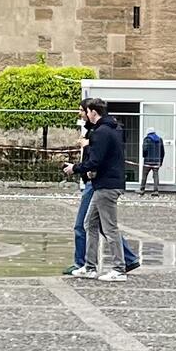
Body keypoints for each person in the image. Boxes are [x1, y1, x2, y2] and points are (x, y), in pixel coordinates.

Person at [68, 104, 138, 275]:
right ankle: (90, 266)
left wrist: (75, 168)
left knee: (109, 228)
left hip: (106, 184)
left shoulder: (102, 132)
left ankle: (119, 268)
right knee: (89, 223)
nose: (81, 114)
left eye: (83, 111)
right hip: (102, 183)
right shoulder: (109, 129)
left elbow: (95, 160)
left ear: (93, 111)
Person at [140, 128, 165, 193]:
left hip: (147, 161)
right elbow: (162, 152)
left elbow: (144, 150)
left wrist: (144, 156)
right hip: (157, 162)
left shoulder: (146, 139)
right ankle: (156, 191)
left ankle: (142, 189)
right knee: (155, 176)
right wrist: (161, 161)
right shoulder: (160, 139)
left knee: (144, 175)